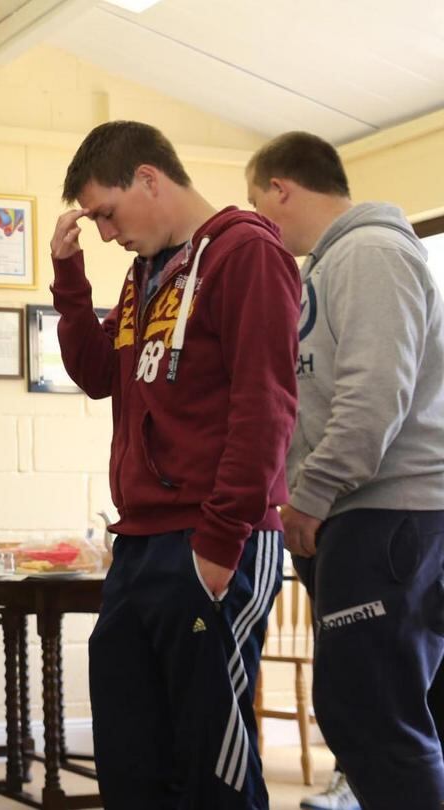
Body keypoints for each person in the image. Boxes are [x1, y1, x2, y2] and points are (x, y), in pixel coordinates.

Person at [50, 120, 299, 808]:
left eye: (108, 213)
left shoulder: (244, 253)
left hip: (211, 542)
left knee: (206, 757)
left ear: (149, 178)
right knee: (131, 747)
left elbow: (266, 405)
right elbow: (100, 373)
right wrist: (70, 282)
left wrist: (220, 543)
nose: (105, 233)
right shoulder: (146, 274)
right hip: (141, 543)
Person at [246, 130, 444, 809]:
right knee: (377, 713)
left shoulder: (370, 253)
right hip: (364, 513)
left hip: (385, 509)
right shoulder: (330, 267)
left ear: (282, 188)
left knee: (373, 714)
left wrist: (311, 494)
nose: (259, 221)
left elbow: (373, 393)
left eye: (257, 202)